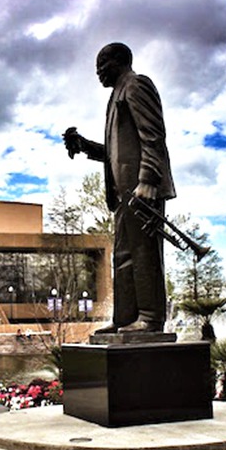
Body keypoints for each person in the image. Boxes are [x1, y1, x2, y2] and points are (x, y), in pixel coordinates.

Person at [64, 42, 176, 334]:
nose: (98, 72)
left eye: (102, 65)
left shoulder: (136, 86)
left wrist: (148, 179)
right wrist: (85, 146)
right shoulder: (115, 97)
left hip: (141, 190)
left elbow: (153, 136)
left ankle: (151, 318)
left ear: (119, 61)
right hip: (124, 194)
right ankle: (126, 318)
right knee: (124, 255)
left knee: (144, 253)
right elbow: (116, 152)